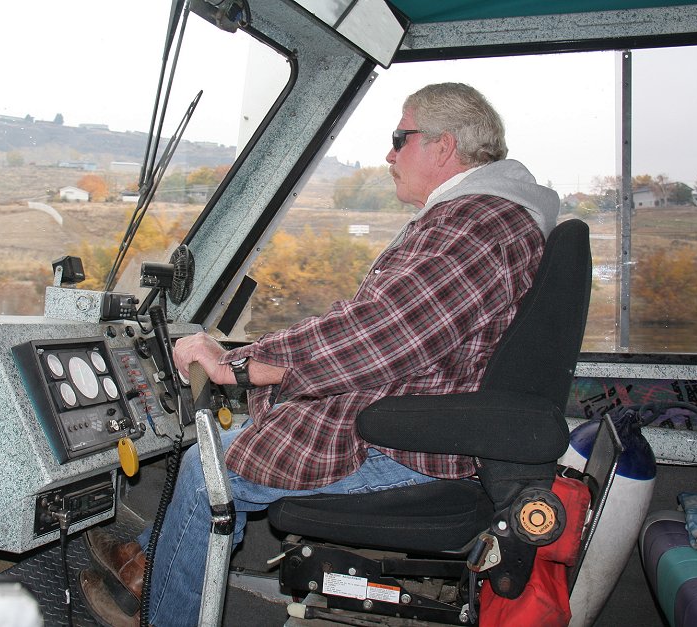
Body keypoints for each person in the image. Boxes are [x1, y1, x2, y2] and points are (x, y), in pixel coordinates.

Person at [81, 82, 559, 626]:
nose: (388, 154)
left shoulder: (475, 224)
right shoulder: (484, 218)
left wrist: (239, 364)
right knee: (228, 444)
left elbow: (382, 336)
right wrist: (260, 359)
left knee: (205, 466)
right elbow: (382, 324)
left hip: (408, 445)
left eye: (399, 138)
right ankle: (150, 560)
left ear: (443, 145)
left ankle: (158, 611)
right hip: (414, 414)